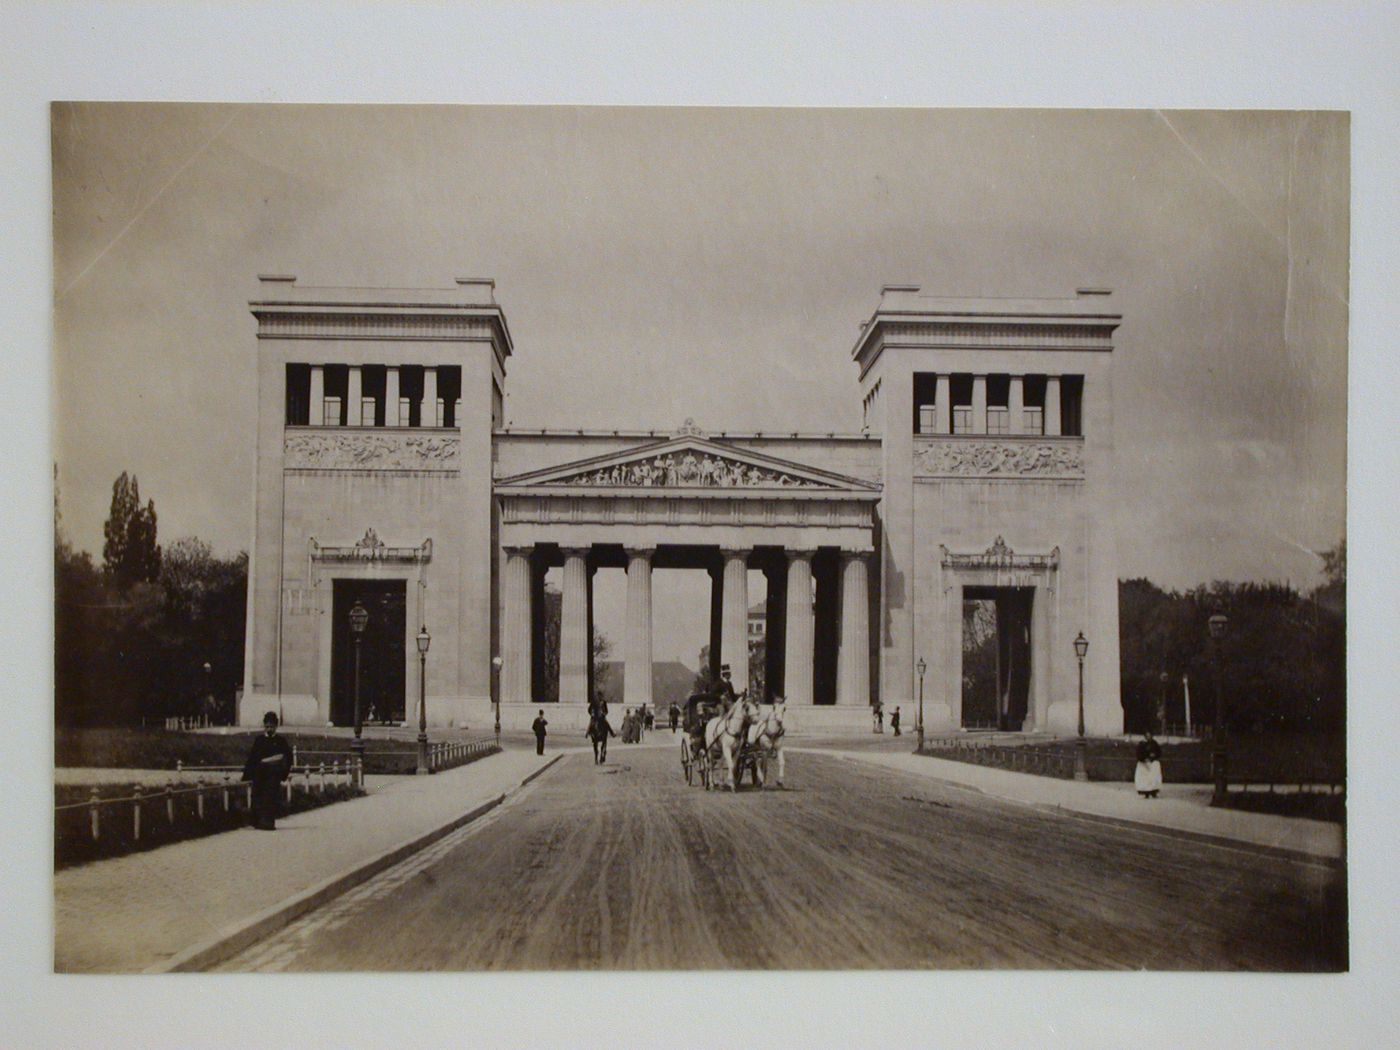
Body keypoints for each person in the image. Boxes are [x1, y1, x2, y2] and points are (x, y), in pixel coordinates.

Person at [242, 711, 293, 830]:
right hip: (259, 775)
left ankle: (268, 823)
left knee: (270, 798)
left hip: (273, 775)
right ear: (264, 726)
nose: (269, 729)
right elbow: (252, 758)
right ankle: (256, 821)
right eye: (267, 726)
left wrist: (282, 774)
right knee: (257, 796)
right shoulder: (259, 740)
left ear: (276, 726)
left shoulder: (280, 741)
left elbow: (287, 758)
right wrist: (247, 775)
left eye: (272, 726)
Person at [1135, 730, 1164, 798]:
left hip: (1153, 762)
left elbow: (1159, 752)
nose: (1148, 737)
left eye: (1149, 735)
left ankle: (1154, 791)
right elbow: (1138, 753)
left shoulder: (1154, 743)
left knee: (1154, 777)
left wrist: (1154, 756)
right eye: (1147, 736)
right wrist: (1144, 759)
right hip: (1144, 763)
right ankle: (1146, 792)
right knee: (1145, 778)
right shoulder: (1142, 744)